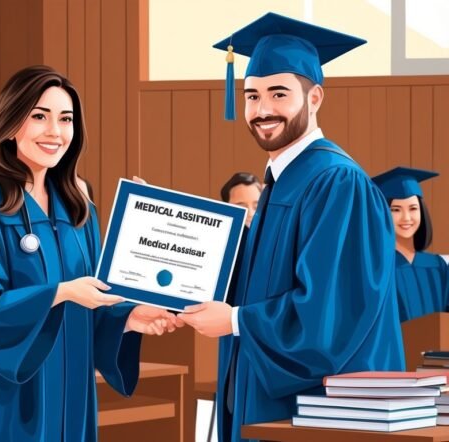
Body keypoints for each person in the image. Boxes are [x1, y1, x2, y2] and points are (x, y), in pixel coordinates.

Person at [178, 13, 405, 442]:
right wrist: (169, 226)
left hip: (311, 415)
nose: (262, 110)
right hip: (267, 402)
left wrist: (237, 321)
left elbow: (330, 315)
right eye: (251, 95)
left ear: (315, 96)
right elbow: (255, 283)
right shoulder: (282, 182)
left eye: (278, 93)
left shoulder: (337, 183)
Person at [0, 65, 180, 441]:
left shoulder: (79, 210)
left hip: (70, 394)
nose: (55, 131)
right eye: (39, 116)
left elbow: (94, 300)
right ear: (11, 123)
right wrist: (61, 292)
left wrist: (129, 319)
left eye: (66, 119)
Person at [372, 167, 449, 322]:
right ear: (384, 214)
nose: (406, 217)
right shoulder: (379, 269)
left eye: (413, 208)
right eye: (396, 210)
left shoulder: (437, 266)